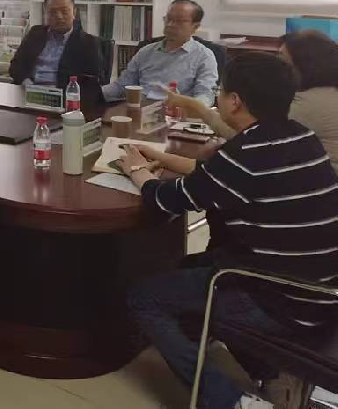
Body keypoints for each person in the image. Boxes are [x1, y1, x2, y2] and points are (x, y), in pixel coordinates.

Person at [117, 52, 338, 409]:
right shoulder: (299, 136)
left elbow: (167, 201)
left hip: (283, 299)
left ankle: (229, 400)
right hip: (320, 288)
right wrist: (159, 157)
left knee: (145, 297)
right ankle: (269, 373)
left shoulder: (246, 153)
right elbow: (214, 176)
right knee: (186, 268)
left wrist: (136, 171)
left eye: (220, 91)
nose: (217, 97)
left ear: (234, 102)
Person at [164, 30, 338, 170]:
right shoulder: (325, 92)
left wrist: (196, 107)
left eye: (282, 59)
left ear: (306, 65)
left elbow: (250, 138)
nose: (276, 65)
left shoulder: (308, 104)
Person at [102, 0, 218, 105]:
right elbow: (121, 86)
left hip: (175, 113)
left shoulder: (204, 56)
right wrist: (95, 93)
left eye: (179, 21)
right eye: (168, 19)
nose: (170, 25)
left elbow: (205, 95)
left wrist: (189, 106)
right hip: (141, 110)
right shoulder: (146, 51)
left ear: (195, 27)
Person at [8, 0, 103, 87]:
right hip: (28, 90)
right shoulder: (35, 33)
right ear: (45, 13)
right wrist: (28, 84)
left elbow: (94, 80)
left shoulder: (88, 43)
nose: (59, 16)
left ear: (74, 12)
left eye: (64, 11)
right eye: (52, 12)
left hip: (63, 93)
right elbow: (15, 66)